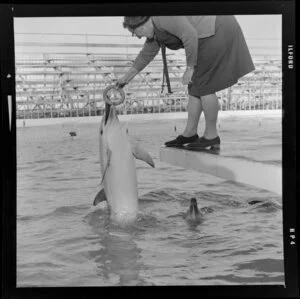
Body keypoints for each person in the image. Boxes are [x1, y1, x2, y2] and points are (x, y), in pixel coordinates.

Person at [116, 16, 255, 149]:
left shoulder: (162, 18)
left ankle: (211, 135)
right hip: (207, 32)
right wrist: (125, 79)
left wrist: (190, 67)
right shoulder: (155, 32)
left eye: (135, 32)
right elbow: (145, 56)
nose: (138, 36)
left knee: (205, 85)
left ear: (143, 22)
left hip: (216, 28)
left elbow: (189, 35)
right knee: (195, 85)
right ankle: (190, 133)